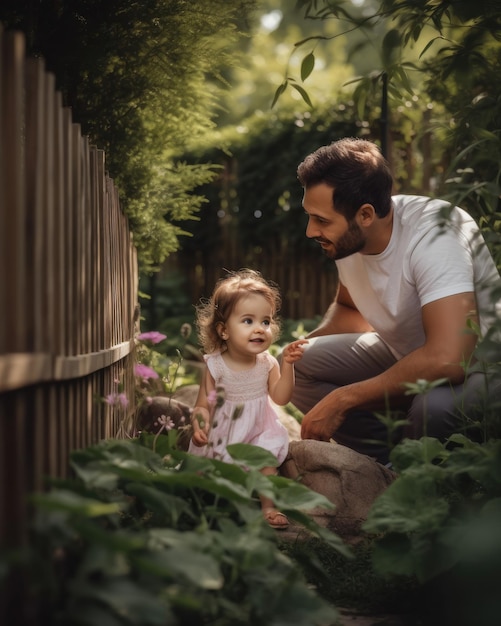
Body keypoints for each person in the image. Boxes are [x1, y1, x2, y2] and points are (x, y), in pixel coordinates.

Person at [291, 137, 501, 465]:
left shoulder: (435, 234)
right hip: (404, 355)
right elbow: (350, 310)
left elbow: (450, 358)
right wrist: (281, 362)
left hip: (480, 369)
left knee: (432, 408)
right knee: (296, 366)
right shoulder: (348, 239)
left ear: (365, 214)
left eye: (321, 220)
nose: (310, 231)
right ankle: (383, 466)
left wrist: (344, 399)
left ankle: (424, 476)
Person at [188, 269, 308, 528]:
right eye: (248, 321)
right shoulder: (215, 366)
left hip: (258, 430)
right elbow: (202, 405)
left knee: (265, 461)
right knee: (212, 470)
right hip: (224, 431)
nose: (259, 329)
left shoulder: (267, 363)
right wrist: (200, 423)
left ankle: (268, 506)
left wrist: (287, 365)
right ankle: (211, 503)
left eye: (265, 321)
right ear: (223, 331)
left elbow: (281, 398)